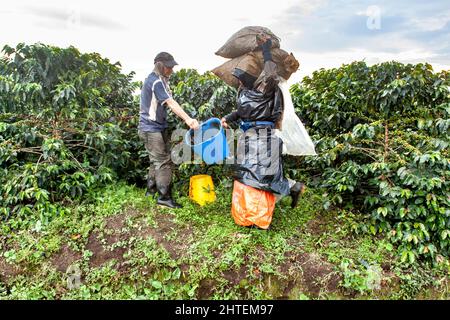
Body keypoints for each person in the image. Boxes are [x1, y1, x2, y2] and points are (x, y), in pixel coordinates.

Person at [221, 37, 305, 209]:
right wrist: (227, 118)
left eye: (243, 78)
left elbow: (269, 72)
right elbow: (242, 112)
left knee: (264, 173)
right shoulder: (244, 92)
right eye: (239, 79)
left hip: (264, 135)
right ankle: (291, 188)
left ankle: (266, 206)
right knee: (250, 171)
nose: (241, 81)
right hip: (248, 135)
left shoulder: (264, 87)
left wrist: (266, 50)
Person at [138, 52, 199, 209]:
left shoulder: (161, 82)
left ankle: (151, 191)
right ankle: (164, 197)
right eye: (169, 67)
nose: (171, 70)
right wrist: (188, 119)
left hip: (157, 127)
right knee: (164, 161)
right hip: (151, 129)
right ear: (160, 66)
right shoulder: (155, 81)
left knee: (156, 160)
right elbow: (171, 103)